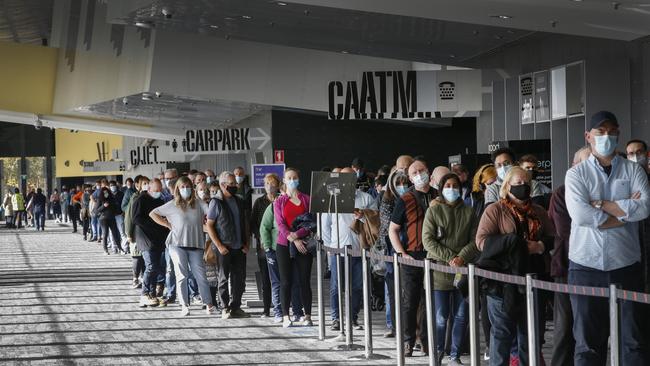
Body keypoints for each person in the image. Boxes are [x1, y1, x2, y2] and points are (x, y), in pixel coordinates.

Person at [565, 111, 650, 366]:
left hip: (626, 265)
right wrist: (624, 212)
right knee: (588, 344)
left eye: (612, 132)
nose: (607, 137)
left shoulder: (634, 170)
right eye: (600, 132)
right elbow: (581, 215)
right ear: (588, 136)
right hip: (585, 266)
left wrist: (601, 204)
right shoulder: (576, 175)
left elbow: (645, 208)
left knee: (633, 342)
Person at [476, 166, 555, 366]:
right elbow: (481, 242)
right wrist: (512, 245)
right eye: (517, 184)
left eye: (526, 183)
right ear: (506, 187)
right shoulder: (495, 210)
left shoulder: (538, 211)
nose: (523, 187)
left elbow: (554, 238)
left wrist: (540, 246)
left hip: (535, 278)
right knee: (502, 334)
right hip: (503, 283)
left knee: (531, 336)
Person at [422, 173, 479, 365]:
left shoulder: (469, 211)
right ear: (441, 188)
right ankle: (437, 353)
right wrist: (450, 257)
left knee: (461, 316)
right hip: (439, 272)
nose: (452, 188)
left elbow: (475, 240)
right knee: (440, 317)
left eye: (455, 185)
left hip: (463, 271)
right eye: (447, 185)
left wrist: (461, 257)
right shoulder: (433, 211)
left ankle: (455, 355)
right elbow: (428, 240)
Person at [548, 145, 591, 366]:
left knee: (590, 330)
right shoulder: (561, 193)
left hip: (596, 268)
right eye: (584, 162)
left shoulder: (598, 190)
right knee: (565, 329)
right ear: (574, 166)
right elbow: (566, 230)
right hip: (566, 266)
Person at [150, 176, 216, 316]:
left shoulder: (198, 203)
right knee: (182, 275)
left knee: (200, 275)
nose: (185, 189)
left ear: (191, 188)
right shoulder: (172, 204)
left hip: (196, 244)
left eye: (187, 186)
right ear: (177, 190)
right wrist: (167, 224)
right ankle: (184, 305)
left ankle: (208, 303)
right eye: (182, 187)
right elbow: (153, 213)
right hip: (176, 244)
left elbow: (211, 212)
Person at [322, 167, 378, 331]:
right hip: (338, 249)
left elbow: (376, 220)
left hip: (359, 249)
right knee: (336, 286)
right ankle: (336, 319)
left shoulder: (366, 198)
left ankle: (352, 318)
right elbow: (325, 226)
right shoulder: (331, 200)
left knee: (357, 286)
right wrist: (329, 248)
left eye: (351, 177)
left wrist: (364, 216)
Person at [388, 159, 434, 357]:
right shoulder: (405, 199)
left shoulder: (437, 195)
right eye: (414, 172)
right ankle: (408, 341)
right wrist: (401, 253)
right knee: (411, 301)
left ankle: (426, 341)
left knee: (429, 301)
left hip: (434, 255)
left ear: (428, 171)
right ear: (409, 177)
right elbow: (393, 230)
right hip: (412, 255)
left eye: (422, 170)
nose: (419, 174)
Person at [205, 171, 251, 319]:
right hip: (224, 247)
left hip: (239, 246)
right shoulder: (216, 202)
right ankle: (225, 307)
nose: (235, 186)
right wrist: (219, 245)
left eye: (235, 183)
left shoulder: (239, 200)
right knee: (223, 278)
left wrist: (246, 242)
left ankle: (236, 306)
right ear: (223, 185)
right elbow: (210, 225)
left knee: (240, 278)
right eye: (231, 184)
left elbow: (244, 222)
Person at [273, 168, 313, 327]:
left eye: (294, 177)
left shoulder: (306, 199)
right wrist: (293, 238)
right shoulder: (279, 201)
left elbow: (311, 222)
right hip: (284, 244)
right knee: (285, 281)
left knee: (304, 280)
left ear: (299, 179)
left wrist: (298, 235)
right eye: (289, 178)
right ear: (284, 180)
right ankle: (285, 316)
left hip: (304, 244)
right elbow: (280, 223)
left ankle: (308, 315)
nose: (292, 180)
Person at [468, 163, 497, 359]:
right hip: (482, 254)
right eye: (489, 183)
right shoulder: (476, 199)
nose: (492, 186)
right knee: (486, 302)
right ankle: (489, 345)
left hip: (495, 254)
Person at [379, 169, 410, 338]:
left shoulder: (413, 198)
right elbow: (387, 228)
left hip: (411, 248)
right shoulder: (387, 200)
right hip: (392, 250)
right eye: (398, 183)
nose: (402, 186)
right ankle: (396, 326)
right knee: (394, 290)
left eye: (405, 183)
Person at [132, 179, 168, 307]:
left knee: (156, 267)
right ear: (149, 189)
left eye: (160, 190)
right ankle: (144, 293)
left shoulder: (159, 201)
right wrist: (153, 224)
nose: (158, 193)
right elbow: (136, 218)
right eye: (155, 190)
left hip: (158, 239)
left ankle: (152, 294)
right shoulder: (141, 200)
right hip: (145, 238)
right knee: (151, 266)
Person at [250, 173, 281, 318]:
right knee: (265, 277)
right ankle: (266, 308)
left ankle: (281, 306)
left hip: (280, 244)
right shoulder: (259, 202)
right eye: (267, 184)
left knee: (281, 276)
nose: (270, 186)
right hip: (263, 245)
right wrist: (260, 237)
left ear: (278, 185)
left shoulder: (282, 200)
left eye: (273, 183)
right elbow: (254, 224)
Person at [626, 139, 650, 291]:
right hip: (633, 244)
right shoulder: (625, 184)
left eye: (639, 152)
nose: (635, 156)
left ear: (647, 155)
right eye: (631, 153)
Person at [94, 186, 126, 255]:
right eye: (104, 192)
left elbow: (115, 208)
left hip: (112, 218)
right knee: (105, 234)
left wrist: (116, 209)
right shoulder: (100, 200)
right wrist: (103, 206)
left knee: (115, 234)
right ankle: (105, 250)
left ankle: (120, 249)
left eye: (107, 192)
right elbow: (96, 211)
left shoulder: (112, 198)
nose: (106, 193)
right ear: (102, 193)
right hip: (103, 219)